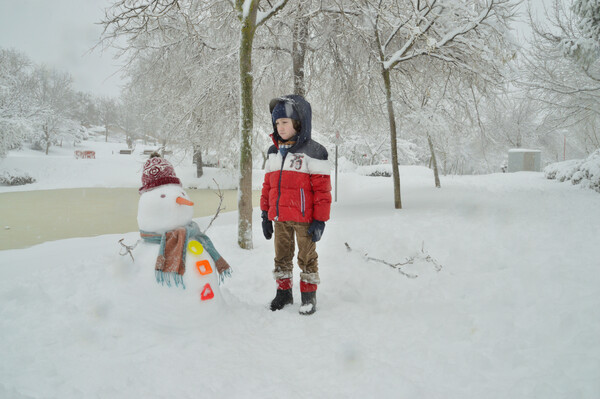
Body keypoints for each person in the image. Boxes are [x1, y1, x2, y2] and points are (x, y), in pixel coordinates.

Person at [260, 95, 332, 315]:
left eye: (285, 122)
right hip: (280, 217)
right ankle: (283, 293)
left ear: (298, 123)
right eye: (277, 123)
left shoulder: (314, 152)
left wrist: (320, 220)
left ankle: (308, 297)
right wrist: (265, 213)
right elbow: (268, 186)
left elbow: (322, 191)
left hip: (304, 219)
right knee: (281, 256)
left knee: (307, 257)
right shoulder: (274, 152)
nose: (280, 127)